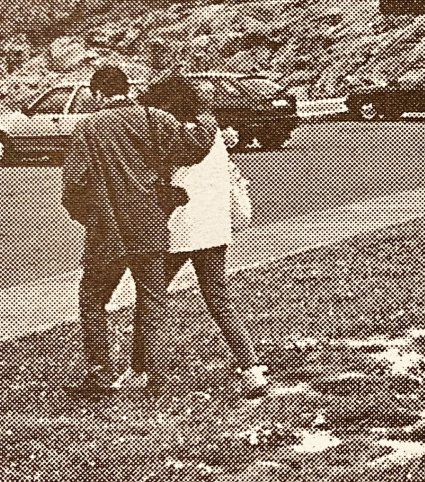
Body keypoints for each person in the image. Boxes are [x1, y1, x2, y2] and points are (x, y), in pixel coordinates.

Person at [62, 65, 217, 395]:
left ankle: (99, 372)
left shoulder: (87, 129)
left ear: (97, 94)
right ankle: (153, 379)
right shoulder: (155, 119)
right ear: (127, 88)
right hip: (150, 227)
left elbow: (73, 187)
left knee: (92, 297)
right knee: (152, 301)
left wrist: (90, 218)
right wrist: (205, 111)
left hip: (107, 233)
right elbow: (195, 148)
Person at [125, 74, 269, 397]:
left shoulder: (164, 133)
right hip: (212, 227)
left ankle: (138, 369)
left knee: (150, 300)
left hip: (173, 229)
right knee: (219, 300)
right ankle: (250, 368)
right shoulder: (212, 133)